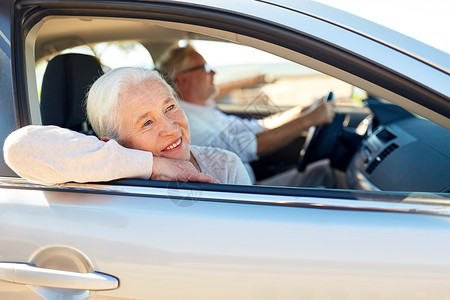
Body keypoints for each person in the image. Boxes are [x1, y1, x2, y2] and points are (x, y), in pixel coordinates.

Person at [3, 67, 252, 185]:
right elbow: (18, 147)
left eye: (170, 108)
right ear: (110, 143)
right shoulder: (91, 168)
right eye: (146, 122)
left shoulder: (225, 165)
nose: (171, 128)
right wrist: (154, 167)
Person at [156, 45, 336, 187]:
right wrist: (308, 120)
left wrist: (303, 110)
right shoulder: (185, 121)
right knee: (326, 173)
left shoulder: (204, 110)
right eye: (204, 68)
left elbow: (256, 128)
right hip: (244, 198)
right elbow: (246, 146)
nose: (213, 72)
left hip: (250, 186)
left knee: (325, 171)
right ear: (183, 79)